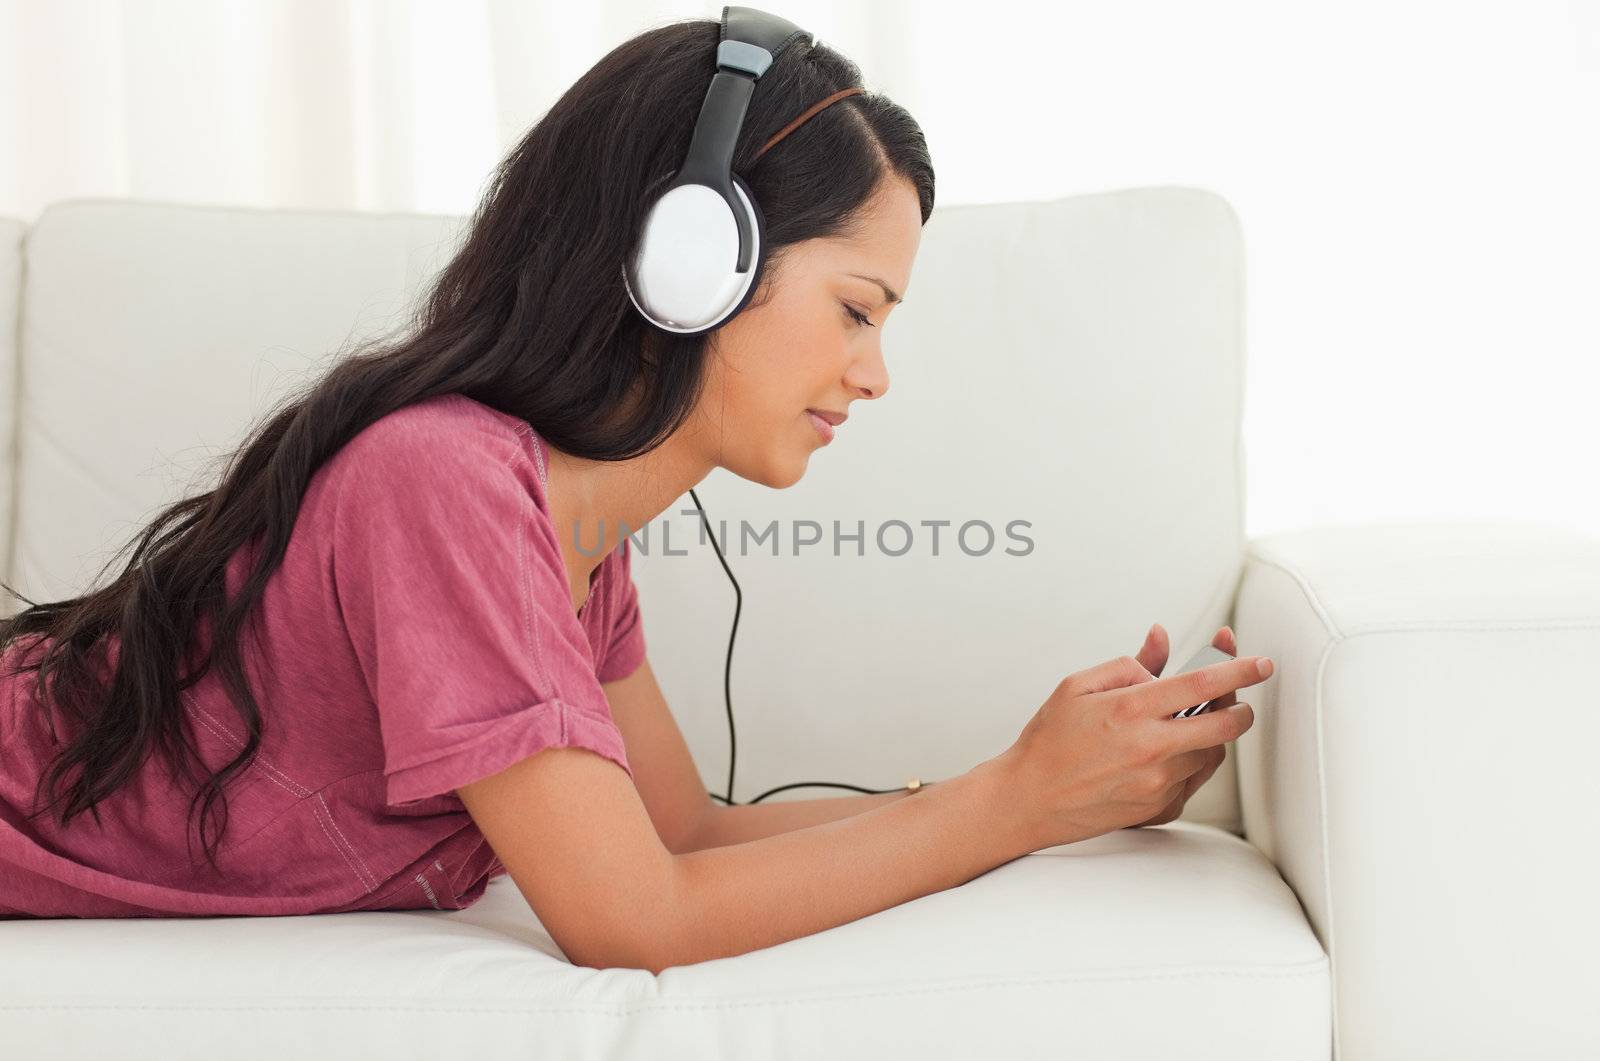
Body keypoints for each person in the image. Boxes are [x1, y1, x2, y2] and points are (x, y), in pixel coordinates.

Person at [0, 15, 1271, 971]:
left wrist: (1040, 785)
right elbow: (632, 918)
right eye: (854, 310)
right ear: (694, 257)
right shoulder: (439, 480)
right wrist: (1006, 806)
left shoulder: (578, 538)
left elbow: (683, 835)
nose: (873, 375)